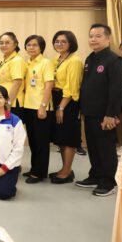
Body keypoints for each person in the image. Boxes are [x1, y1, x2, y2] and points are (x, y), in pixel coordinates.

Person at [76, 24, 122, 197]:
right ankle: (95, 175)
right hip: (90, 112)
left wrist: (111, 114)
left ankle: (108, 182)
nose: (93, 39)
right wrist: (83, 109)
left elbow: (117, 90)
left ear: (108, 38)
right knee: (93, 147)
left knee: (105, 148)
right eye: (91, 36)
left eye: (98, 36)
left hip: (105, 114)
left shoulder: (114, 60)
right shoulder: (90, 58)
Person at [49, 30, 84, 184]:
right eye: (57, 41)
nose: (59, 44)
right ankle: (65, 169)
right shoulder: (56, 59)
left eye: (63, 41)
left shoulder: (74, 61)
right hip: (56, 98)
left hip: (68, 102)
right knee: (61, 137)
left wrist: (61, 107)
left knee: (68, 137)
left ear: (71, 43)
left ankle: (67, 171)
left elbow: (72, 88)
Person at [22, 35, 54, 184]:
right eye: (28, 45)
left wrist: (43, 106)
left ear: (41, 47)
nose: (31, 47)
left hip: (41, 107)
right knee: (33, 141)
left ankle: (39, 173)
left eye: (35, 45)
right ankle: (34, 168)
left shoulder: (46, 63)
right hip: (28, 106)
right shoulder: (27, 63)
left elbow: (49, 85)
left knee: (41, 142)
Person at [0, 32, 27, 118]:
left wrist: (8, 103)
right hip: (3, 100)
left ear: (15, 44)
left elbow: (17, 83)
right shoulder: (3, 59)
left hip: (13, 103)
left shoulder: (17, 60)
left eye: (7, 43)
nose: (4, 45)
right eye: (1, 43)